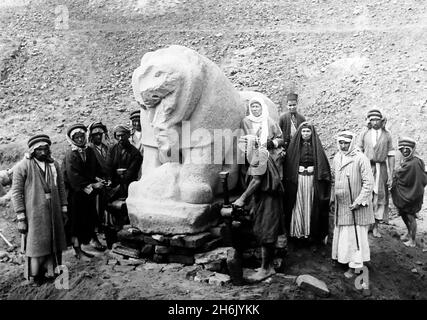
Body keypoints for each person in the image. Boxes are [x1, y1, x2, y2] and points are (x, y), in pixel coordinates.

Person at [11, 134, 68, 285]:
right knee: (35, 243)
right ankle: (34, 276)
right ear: (32, 151)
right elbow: (16, 193)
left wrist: (63, 208)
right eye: (39, 150)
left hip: (54, 210)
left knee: (54, 240)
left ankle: (53, 272)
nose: (43, 152)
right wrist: (21, 218)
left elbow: (61, 187)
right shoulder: (22, 166)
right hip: (34, 212)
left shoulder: (54, 164)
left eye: (45, 149)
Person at [231, 135, 285, 282]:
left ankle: (265, 269)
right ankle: (268, 266)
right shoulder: (256, 155)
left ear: (252, 145)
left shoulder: (259, 155)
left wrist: (242, 199)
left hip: (269, 199)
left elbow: (256, 180)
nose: (241, 148)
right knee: (265, 230)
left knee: (266, 232)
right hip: (264, 198)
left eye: (244, 144)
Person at [331, 131, 374, 282]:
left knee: (355, 237)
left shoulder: (361, 158)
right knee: (344, 236)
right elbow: (334, 180)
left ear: (352, 143)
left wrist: (358, 201)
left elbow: (369, 183)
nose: (343, 146)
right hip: (342, 205)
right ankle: (343, 260)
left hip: (356, 207)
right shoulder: (337, 157)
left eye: (346, 143)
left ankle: (355, 266)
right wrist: (332, 198)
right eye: (341, 143)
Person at [63, 124, 106, 259]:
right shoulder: (71, 155)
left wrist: (102, 179)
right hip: (75, 194)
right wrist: (93, 185)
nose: (80, 139)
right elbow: (74, 178)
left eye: (82, 136)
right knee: (76, 222)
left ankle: (91, 240)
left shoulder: (89, 151)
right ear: (72, 139)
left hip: (87, 194)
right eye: (77, 137)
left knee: (90, 217)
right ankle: (78, 250)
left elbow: (94, 169)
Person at [283, 122, 331, 243]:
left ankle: (310, 232)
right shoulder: (294, 147)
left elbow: (322, 163)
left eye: (308, 131)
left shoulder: (316, 146)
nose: (305, 134)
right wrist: (297, 169)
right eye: (303, 131)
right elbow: (289, 164)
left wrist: (314, 169)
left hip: (311, 180)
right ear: (300, 133)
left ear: (312, 133)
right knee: (298, 204)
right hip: (298, 180)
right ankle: (297, 232)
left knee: (309, 203)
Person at [357, 109, 395, 238]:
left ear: (382, 120)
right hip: (367, 167)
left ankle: (376, 226)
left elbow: (391, 155)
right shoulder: (365, 133)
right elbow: (359, 152)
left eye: (377, 119)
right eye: (372, 119)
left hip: (381, 168)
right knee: (367, 195)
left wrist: (390, 174)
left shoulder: (387, 135)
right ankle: (366, 224)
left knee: (380, 196)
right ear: (369, 120)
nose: (374, 122)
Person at [391, 137, 427, 247]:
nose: (404, 151)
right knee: (403, 214)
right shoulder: (407, 161)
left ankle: (412, 240)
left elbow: (419, 178)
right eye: (402, 149)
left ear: (412, 149)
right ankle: (408, 232)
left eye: (407, 149)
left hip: (413, 195)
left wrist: (397, 172)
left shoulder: (415, 162)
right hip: (403, 194)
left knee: (411, 217)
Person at [106, 125, 143, 199]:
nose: (120, 138)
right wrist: (111, 179)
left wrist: (120, 185)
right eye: (118, 136)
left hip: (129, 186)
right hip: (114, 184)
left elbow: (132, 172)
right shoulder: (112, 149)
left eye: (123, 135)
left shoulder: (135, 153)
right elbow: (108, 167)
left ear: (128, 135)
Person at [87, 121, 111, 231]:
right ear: (91, 136)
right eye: (95, 135)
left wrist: (109, 178)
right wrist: (97, 179)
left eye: (100, 135)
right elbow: (88, 169)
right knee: (98, 205)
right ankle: (98, 227)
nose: (98, 137)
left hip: (107, 179)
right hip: (96, 181)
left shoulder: (106, 148)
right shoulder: (89, 149)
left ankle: (108, 224)